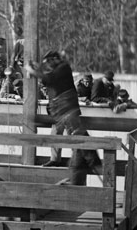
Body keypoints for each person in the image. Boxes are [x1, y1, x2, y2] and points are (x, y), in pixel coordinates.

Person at [26, 50, 101, 184]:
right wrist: (36, 69)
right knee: (67, 134)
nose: (47, 65)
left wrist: (32, 70)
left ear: (54, 59)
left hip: (67, 108)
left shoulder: (63, 68)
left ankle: (92, 161)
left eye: (48, 62)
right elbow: (46, 78)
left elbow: (49, 79)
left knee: (76, 135)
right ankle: (80, 162)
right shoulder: (57, 69)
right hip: (61, 110)